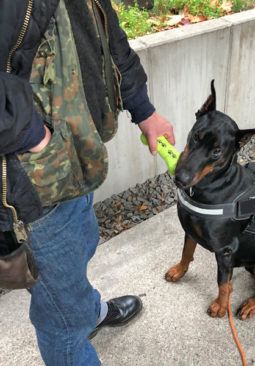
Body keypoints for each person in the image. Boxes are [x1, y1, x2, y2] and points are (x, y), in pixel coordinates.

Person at [0, 0, 175, 365]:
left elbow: (102, 26)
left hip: (76, 152)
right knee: (61, 319)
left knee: (76, 251)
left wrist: (143, 109)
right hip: (33, 180)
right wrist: (33, 137)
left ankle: (87, 312)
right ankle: (75, 320)